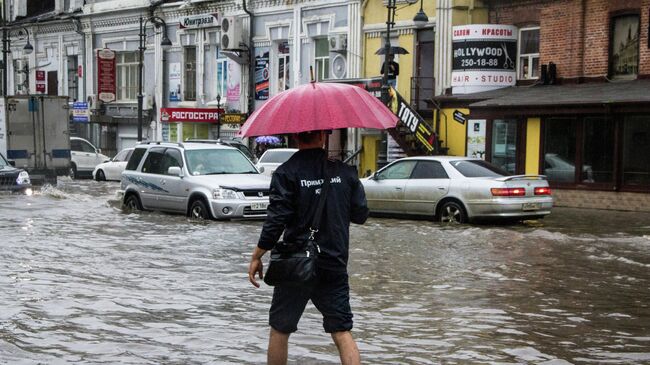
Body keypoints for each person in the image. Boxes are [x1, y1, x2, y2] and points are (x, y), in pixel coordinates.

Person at [248, 130, 369, 365]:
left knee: (280, 330)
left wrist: (257, 255)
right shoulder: (345, 172)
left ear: (295, 137)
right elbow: (361, 214)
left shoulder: (286, 173)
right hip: (333, 262)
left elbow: (276, 221)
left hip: (296, 263)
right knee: (342, 331)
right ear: (323, 136)